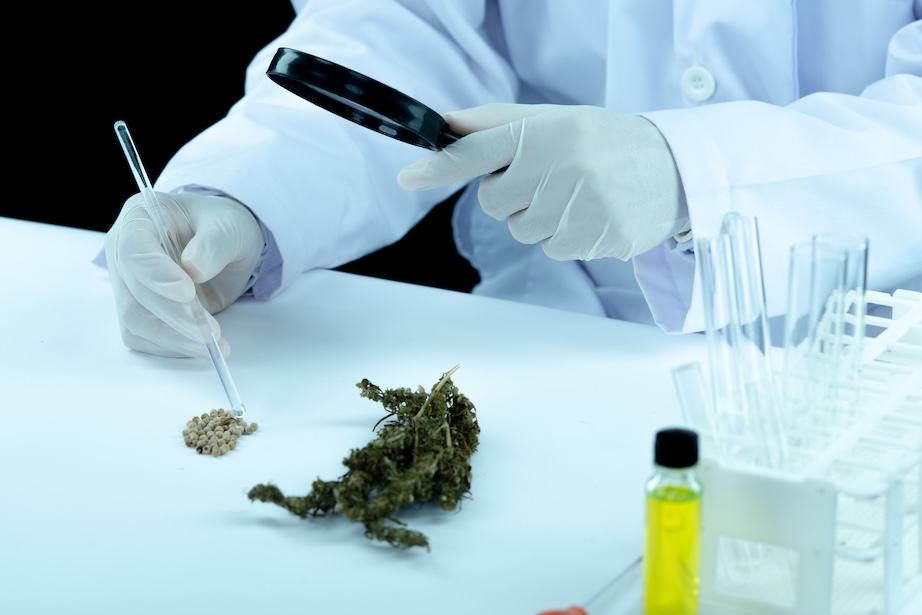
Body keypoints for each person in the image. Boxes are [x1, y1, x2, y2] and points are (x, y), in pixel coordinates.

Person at [103, 0, 922, 359]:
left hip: (874, 364)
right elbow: (416, 20)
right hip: (560, 329)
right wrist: (246, 196)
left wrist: (691, 172)